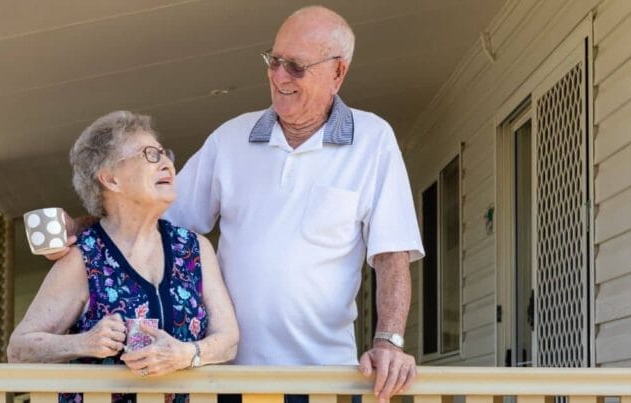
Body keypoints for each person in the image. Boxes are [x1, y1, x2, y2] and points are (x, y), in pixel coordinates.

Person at [51, 6, 423, 402]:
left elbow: (392, 255)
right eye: (274, 61)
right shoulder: (231, 139)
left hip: (323, 377)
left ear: (338, 72)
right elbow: (151, 218)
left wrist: (389, 342)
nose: (279, 77)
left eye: (296, 67)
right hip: (228, 376)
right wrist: (81, 228)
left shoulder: (372, 139)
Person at [8, 111, 239, 403]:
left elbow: (228, 340)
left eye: (164, 154)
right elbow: (19, 350)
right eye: (149, 155)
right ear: (110, 179)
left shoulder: (194, 249)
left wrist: (186, 354)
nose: (167, 163)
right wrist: (83, 342)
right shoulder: (84, 258)